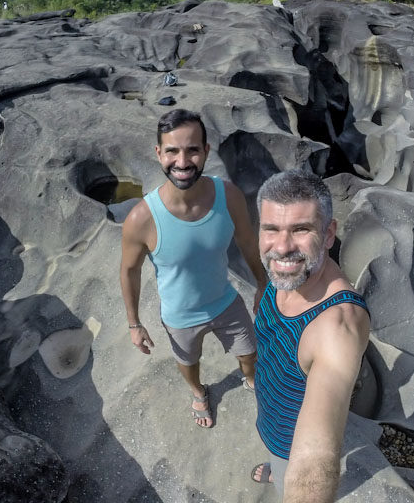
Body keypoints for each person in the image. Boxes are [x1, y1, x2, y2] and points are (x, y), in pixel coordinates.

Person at [120, 108, 267, 428]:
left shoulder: (227, 196)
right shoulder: (141, 219)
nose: (182, 161)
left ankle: (251, 379)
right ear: (158, 154)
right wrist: (135, 324)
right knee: (189, 361)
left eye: (192, 150)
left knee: (249, 352)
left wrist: (262, 285)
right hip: (180, 316)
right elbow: (129, 270)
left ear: (206, 152)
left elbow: (246, 240)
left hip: (226, 302)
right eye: (172, 150)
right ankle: (199, 392)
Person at [249, 169, 370, 502]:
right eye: (270, 229)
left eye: (301, 229)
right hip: (271, 408)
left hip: (292, 441)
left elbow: (314, 459)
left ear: (329, 234)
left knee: (286, 473)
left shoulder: (336, 326)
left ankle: (278, 471)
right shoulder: (284, 270)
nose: (283, 246)